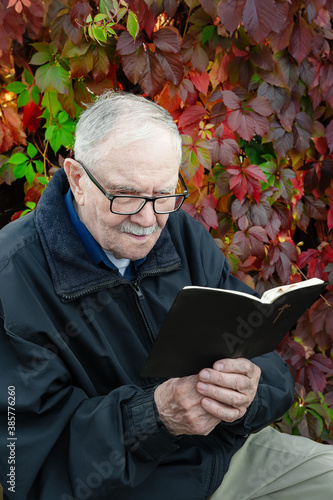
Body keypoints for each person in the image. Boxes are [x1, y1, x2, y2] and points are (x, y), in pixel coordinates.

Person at [0, 92, 331, 500]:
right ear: (77, 179)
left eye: (163, 195)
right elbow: (28, 468)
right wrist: (155, 419)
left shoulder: (180, 235)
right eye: (126, 196)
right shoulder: (12, 280)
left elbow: (263, 355)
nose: (148, 220)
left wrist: (252, 390)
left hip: (225, 461)